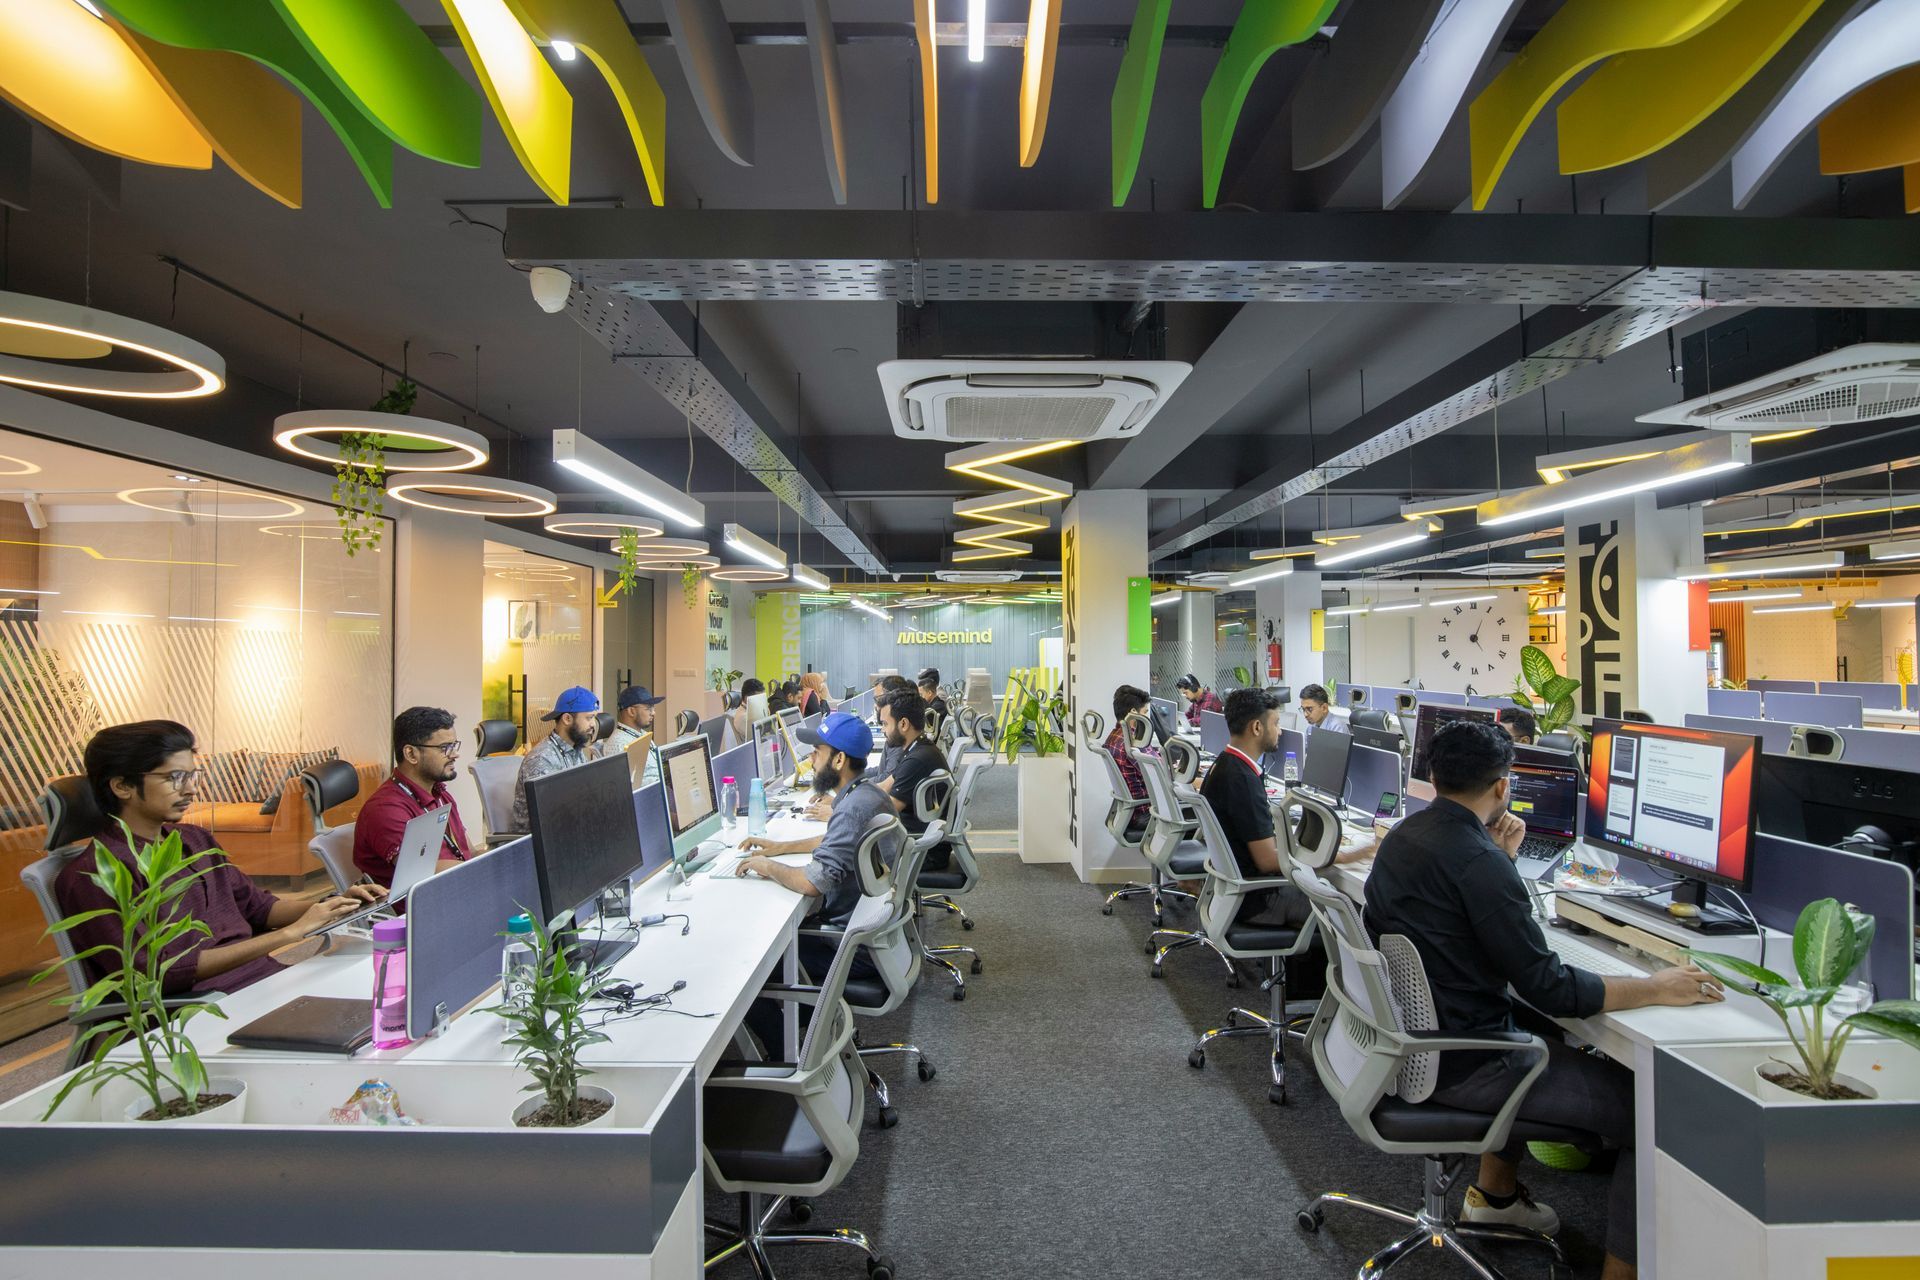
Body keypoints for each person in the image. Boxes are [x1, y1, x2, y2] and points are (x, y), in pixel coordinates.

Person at [1364, 719, 1725, 1278]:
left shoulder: (1406, 838)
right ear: (1503, 787)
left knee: (1544, 1031)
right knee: (1649, 1110)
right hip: (1469, 1063)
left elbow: (1457, 928)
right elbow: (1551, 988)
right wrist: (1655, 987)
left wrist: (1500, 863)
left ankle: (1495, 1198)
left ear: (1433, 776)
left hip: (1415, 1045)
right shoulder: (1476, 860)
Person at [56, 720, 383, 996]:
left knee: (379, 988)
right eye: (175, 779)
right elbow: (159, 973)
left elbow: (260, 908)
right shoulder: (96, 874)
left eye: (191, 777)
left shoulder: (195, 841)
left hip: (261, 984)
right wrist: (288, 935)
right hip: (198, 1009)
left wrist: (332, 905)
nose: (190, 790)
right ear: (122, 786)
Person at [736, 711, 905, 1048]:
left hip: (851, 949)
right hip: (875, 936)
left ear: (839, 759)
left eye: (817, 752)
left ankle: (791, 1050)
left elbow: (811, 884)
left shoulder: (853, 808)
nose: (810, 760)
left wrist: (766, 867)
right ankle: (807, 1026)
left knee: (747, 967)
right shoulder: (866, 796)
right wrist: (780, 848)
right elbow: (836, 841)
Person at [1201, 688, 1369, 929]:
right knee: (1353, 913)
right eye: (1276, 723)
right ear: (1257, 728)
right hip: (1260, 899)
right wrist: (1342, 858)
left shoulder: (1225, 764)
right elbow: (1268, 860)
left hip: (1234, 893)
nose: (1280, 731)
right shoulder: (1243, 780)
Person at [353, 706, 473, 886]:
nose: (455, 754)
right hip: (420, 908)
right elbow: (420, 870)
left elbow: (469, 851)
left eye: (454, 746)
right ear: (411, 754)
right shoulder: (385, 809)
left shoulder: (440, 794)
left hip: (457, 888)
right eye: (445, 748)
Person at [874, 685, 952, 869]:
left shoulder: (918, 759)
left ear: (903, 724)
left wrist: (837, 812)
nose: (883, 730)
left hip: (921, 851)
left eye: (885, 724)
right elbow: (884, 787)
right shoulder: (917, 747)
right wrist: (841, 799)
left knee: (850, 849)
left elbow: (884, 811)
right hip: (917, 839)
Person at [510, 684, 600, 833]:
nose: (593, 725)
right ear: (567, 718)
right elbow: (550, 817)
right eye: (589, 718)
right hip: (537, 842)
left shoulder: (575, 750)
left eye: (594, 718)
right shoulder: (541, 759)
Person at [1103, 684, 1156, 840]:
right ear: (1134, 713)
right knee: (1210, 816)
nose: (1147, 717)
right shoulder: (1134, 744)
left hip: (1130, 811)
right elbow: (1164, 776)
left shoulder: (1114, 736)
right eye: (1145, 712)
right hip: (1145, 813)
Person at [606, 684, 666, 787]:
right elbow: (632, 786)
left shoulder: (641, 734)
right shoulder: (619, 744)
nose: (653, 713)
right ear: (631, 711)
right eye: (648, 708)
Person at [731, 677, 767, 745]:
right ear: (747, 698)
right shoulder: (744, 718)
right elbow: (763, 736)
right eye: (758, 698)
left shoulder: (753, 711)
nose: (761, 702)